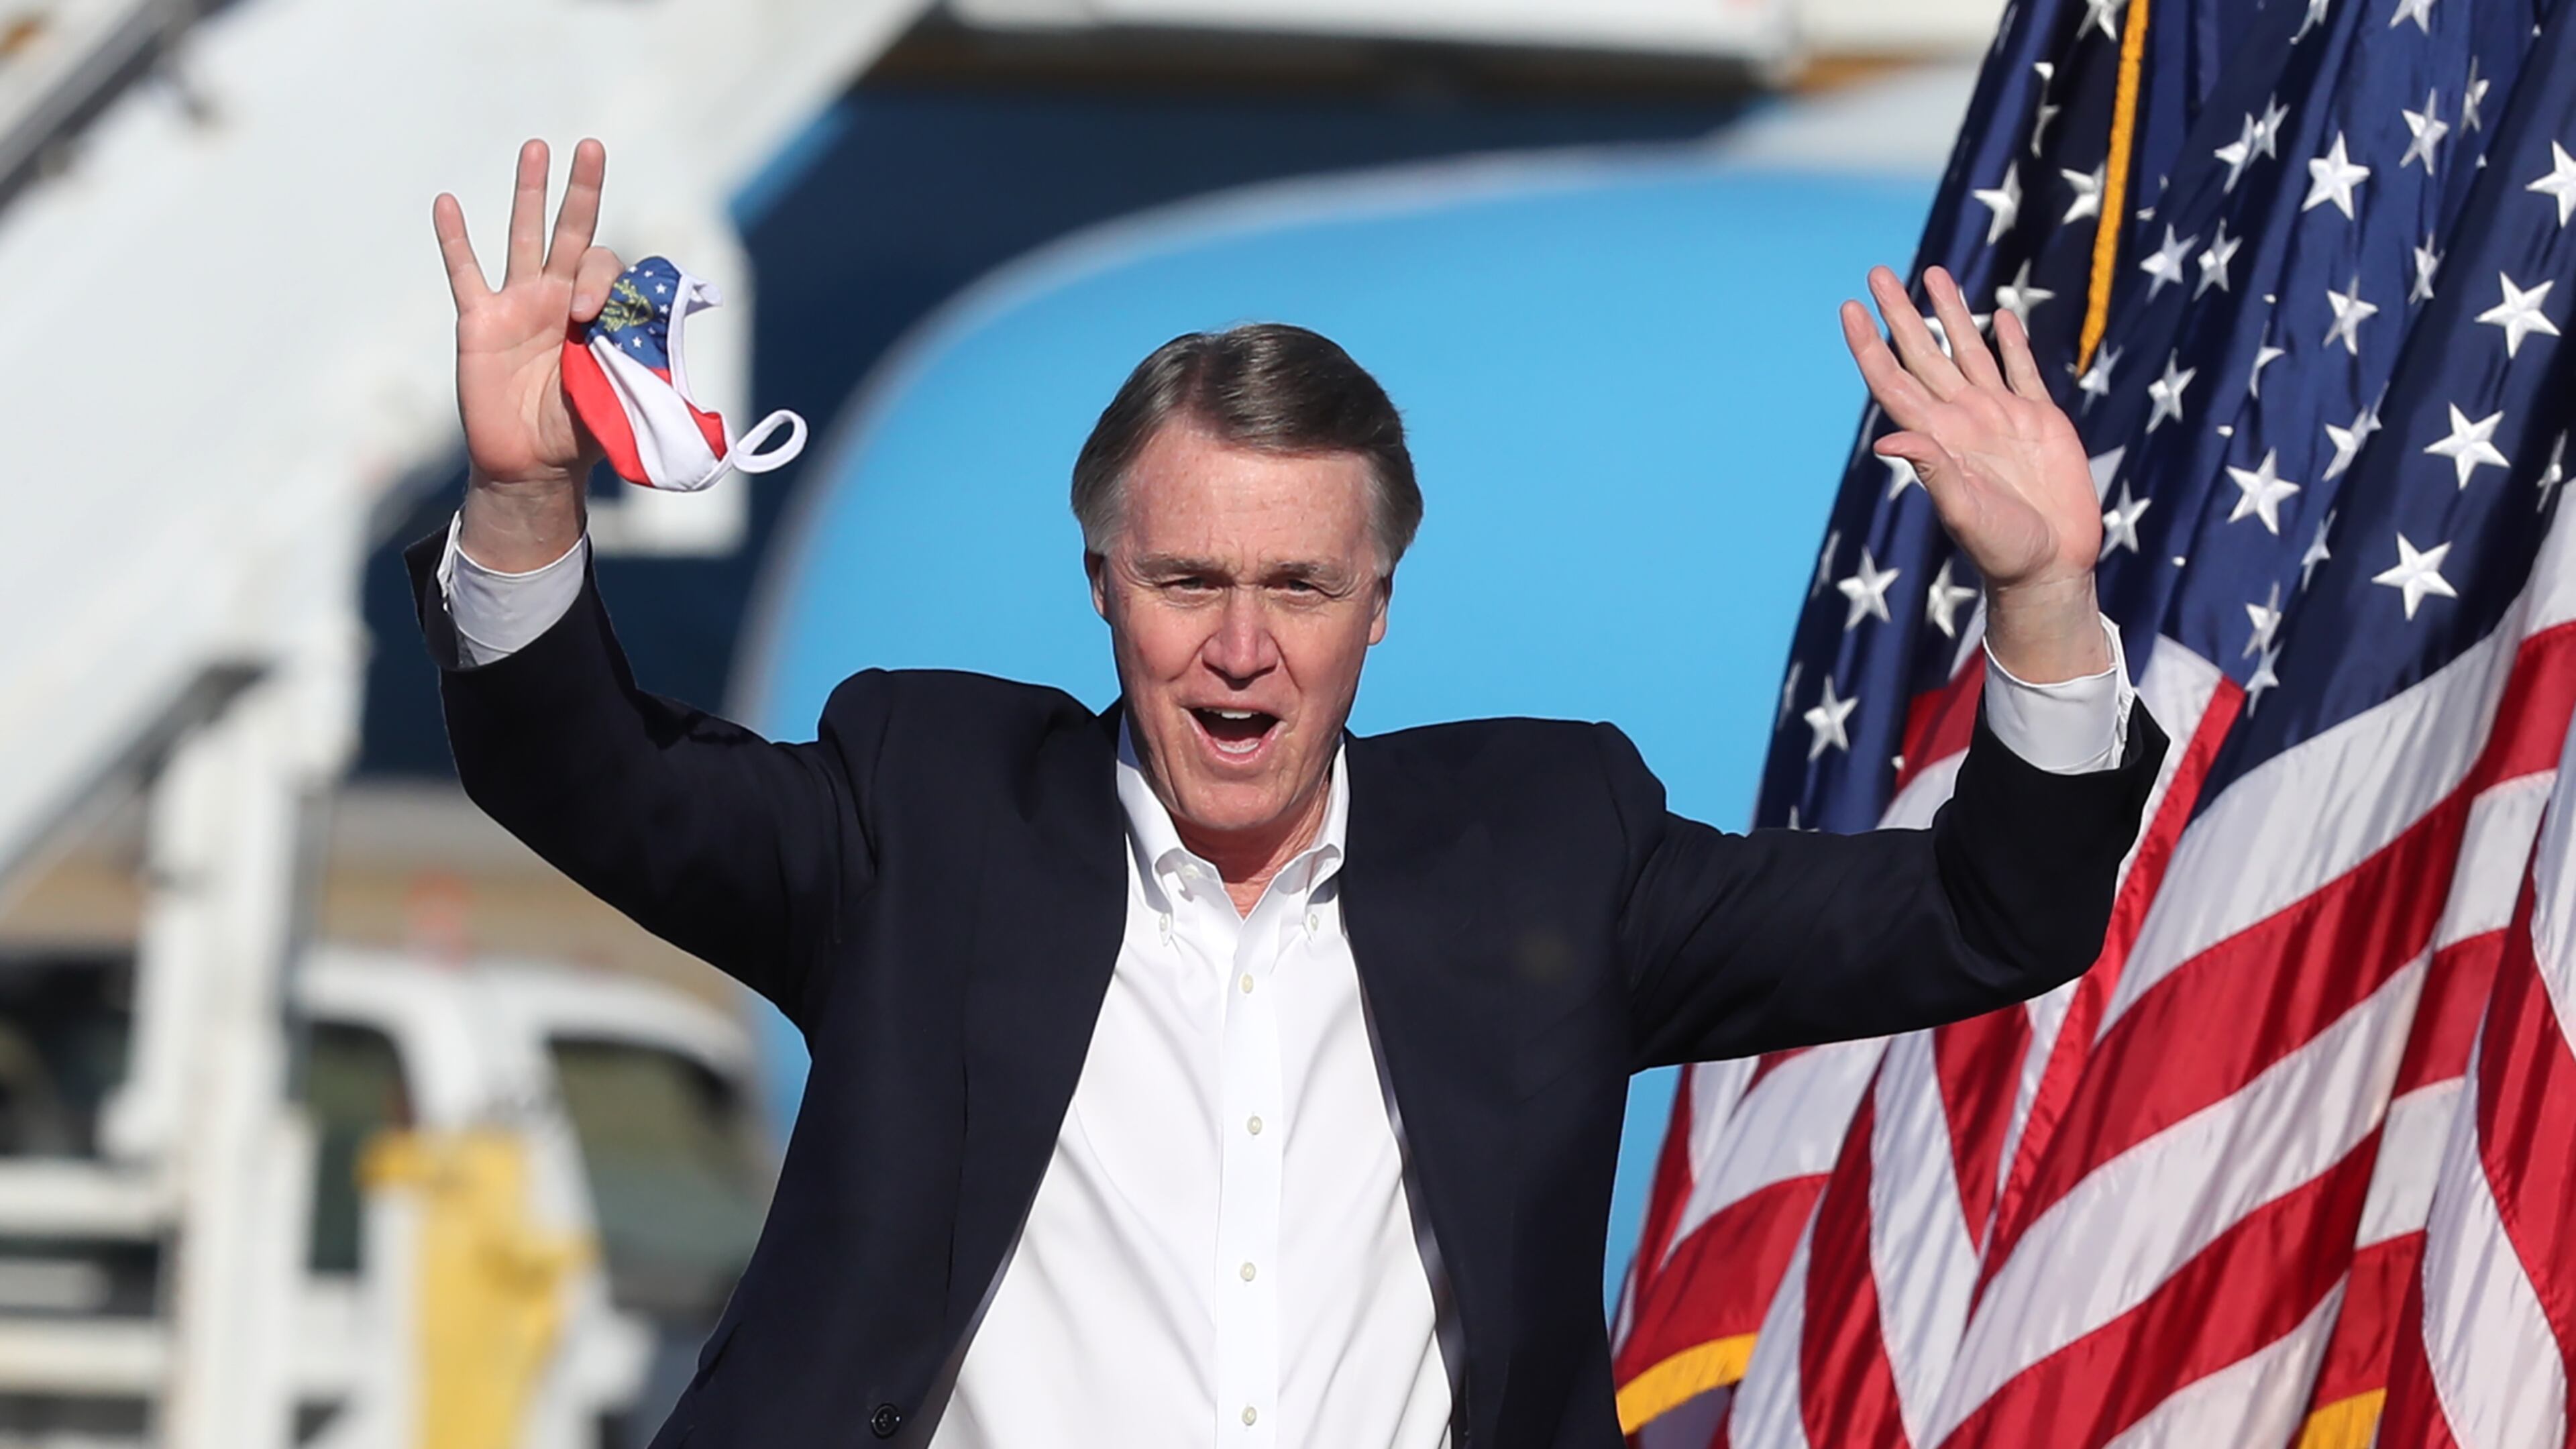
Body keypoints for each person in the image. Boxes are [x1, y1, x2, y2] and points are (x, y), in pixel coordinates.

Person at [415, 140, 2165, 1449]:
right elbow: (593, 780)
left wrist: (2043, 598)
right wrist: (518, 506)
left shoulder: (1548, 851)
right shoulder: (922, 815)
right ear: (1102, 584)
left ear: (1381, 606)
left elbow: (1990, 913)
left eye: (1301, 591)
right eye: (1189, 582)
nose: (1242, 651)